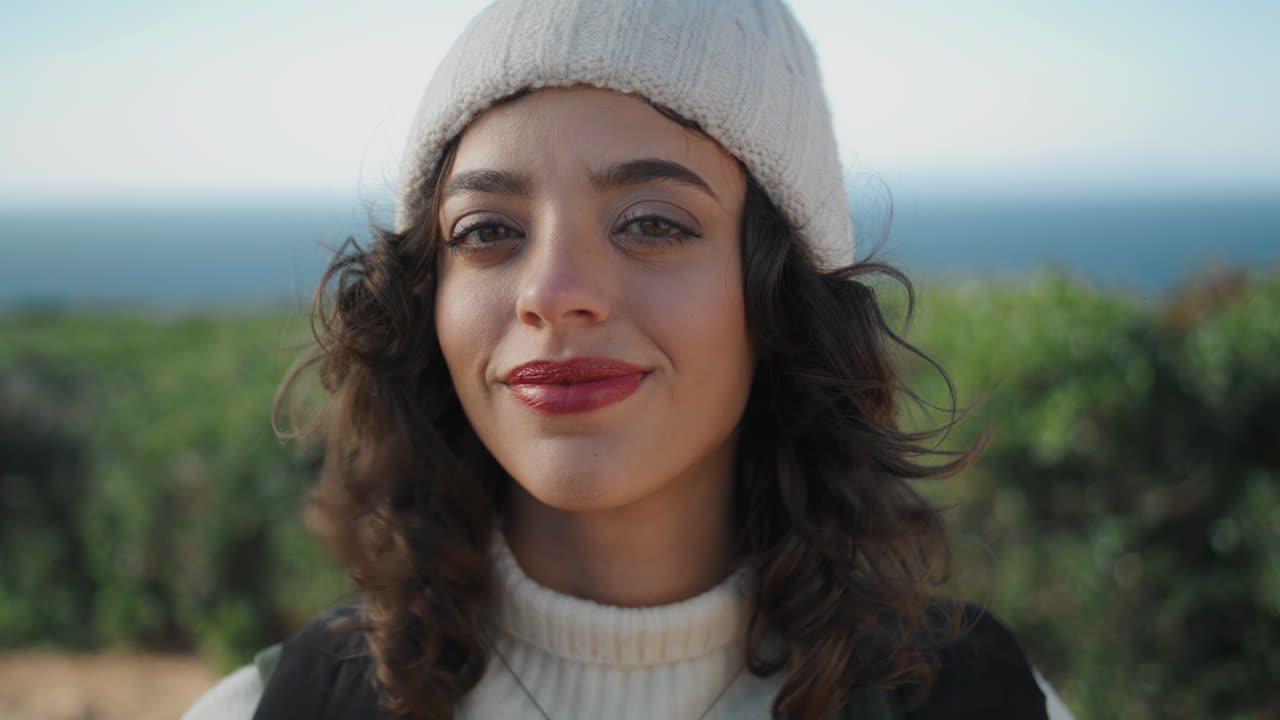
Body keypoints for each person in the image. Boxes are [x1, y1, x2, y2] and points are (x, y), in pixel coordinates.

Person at [184, 0, 1075, 718]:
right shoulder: (283, 706)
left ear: (781, 294)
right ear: (427, 299)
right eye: (488, 231)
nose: (554, 290)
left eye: (652, 223)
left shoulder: (976, 703)